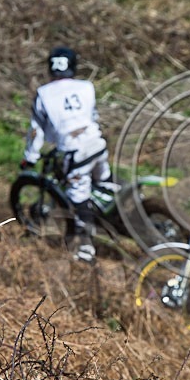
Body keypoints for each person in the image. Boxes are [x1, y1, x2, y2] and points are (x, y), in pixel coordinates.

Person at [21, 46, 114, 263]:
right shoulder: (86, 87)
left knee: (77, 197)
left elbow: (37, 131)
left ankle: (86, 249)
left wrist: (31, 156)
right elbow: (91, 115)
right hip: (96, 143)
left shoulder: (44, 93)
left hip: (75, 152)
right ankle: (115, 210)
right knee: (104, 182)